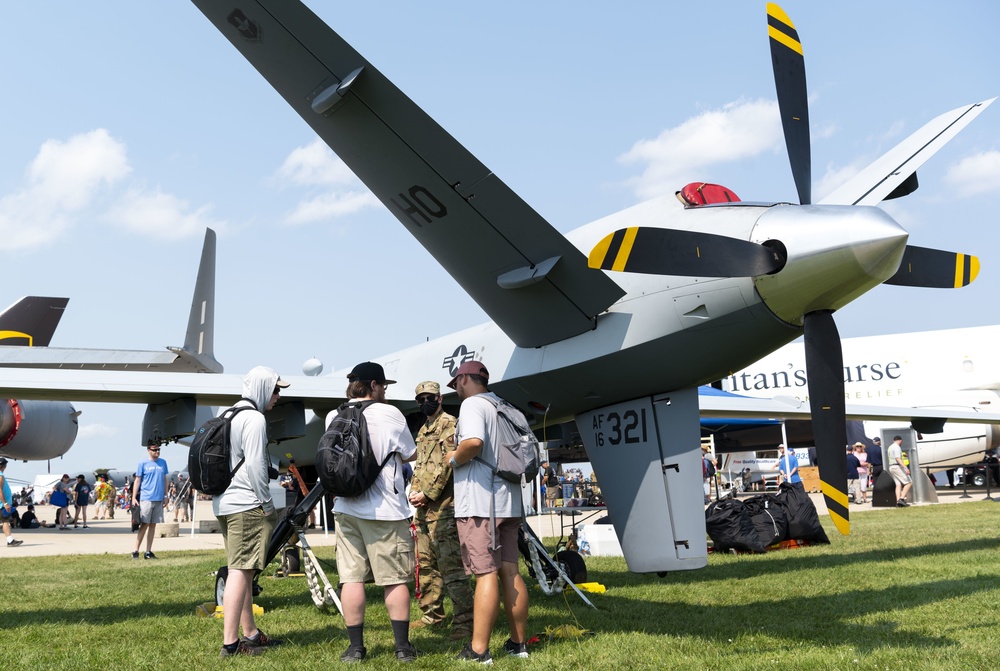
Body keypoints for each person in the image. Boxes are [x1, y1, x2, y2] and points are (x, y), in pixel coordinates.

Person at [331, 362, 419, 663]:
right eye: (383, 385)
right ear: (372, 385)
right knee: (394, 579)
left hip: (345, 507)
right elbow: (411, 453)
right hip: (385, 510)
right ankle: (402, 647)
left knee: (352, 579)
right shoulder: (390, 413)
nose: (384, 390)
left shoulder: (336, 414)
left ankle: (355, 648)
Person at [445, 360, 530, 663]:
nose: (456, 388)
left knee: (484, 574)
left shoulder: (471, 405)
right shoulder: (504, 405)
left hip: (481, 503)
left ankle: (479, 650)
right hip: (510, 502)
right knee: (510, 570)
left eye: (456, 382)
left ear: (466, 379)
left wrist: (453, 459)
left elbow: (473, 443)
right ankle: (519, 645)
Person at [215, 366, 288, 657]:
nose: (278, 396)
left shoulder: (227, 413)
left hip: (224, 502)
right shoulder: (254, 419)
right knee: (240, 571)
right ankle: (231, 645)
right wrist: (267, 503)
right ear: (261, 388)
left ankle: (251, 634)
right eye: (275, 389)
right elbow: (257, 466)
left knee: (241, 570)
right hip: (246, 503)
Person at [407, 380, 474, 641]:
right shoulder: (423, 430)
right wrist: (414, 491)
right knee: (425, 565)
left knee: (451, 569)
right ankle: (431, 615)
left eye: (430, 397)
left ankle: (465, 622)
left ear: (440, 398)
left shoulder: (450, 425)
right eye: (421, 398)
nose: (426, 402)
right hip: (423, 510)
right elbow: (420, 466)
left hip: (445, 508)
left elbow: (449, 464)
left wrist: (429, 493)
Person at [132, 444, 168, 559]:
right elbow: (138, 481)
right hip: (147, 498)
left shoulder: (163, 462)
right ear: (149, 451)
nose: (157, 451)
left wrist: (166, 495)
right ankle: (136, 550)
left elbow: (164, 479)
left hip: (158, 498)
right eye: (154, 450)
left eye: (158, 449)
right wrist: (133, 497)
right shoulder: (143, 464)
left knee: (153, 525)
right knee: (144, 524)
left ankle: (148, 551)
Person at [1, 457, 24, 546]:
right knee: (5, 522)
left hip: (2, 503)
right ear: (5, 466)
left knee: (5, 521)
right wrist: (5, 503)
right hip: (2, 505)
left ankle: (10, 540)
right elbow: (0, 490)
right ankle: (10, 541)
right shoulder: (0, 475)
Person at [888, 435, 912, 507]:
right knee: (909, 482)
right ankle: (901, 499)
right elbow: (898, 458)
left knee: (898, 485)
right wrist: (905, 467)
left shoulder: (890, 447)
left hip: (891, 467)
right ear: (900, 441)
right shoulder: (897, 447)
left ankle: (898, 502)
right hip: (896, 466)